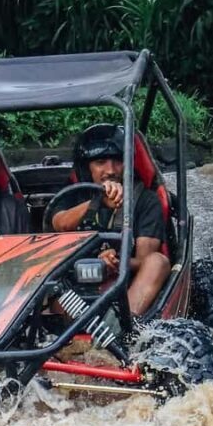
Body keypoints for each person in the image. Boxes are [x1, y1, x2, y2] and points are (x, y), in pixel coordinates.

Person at [50, 123, 171, 316]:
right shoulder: (72, 193)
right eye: (100, 162)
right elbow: (59, 223)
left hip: (127, 287)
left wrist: (115, 261)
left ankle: (125, 328)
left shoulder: (146, 200)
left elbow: (144, 261)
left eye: (117, 161)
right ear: (86, 167)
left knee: (158, 262)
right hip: (73, 286)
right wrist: (97, 201)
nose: (111, 170)